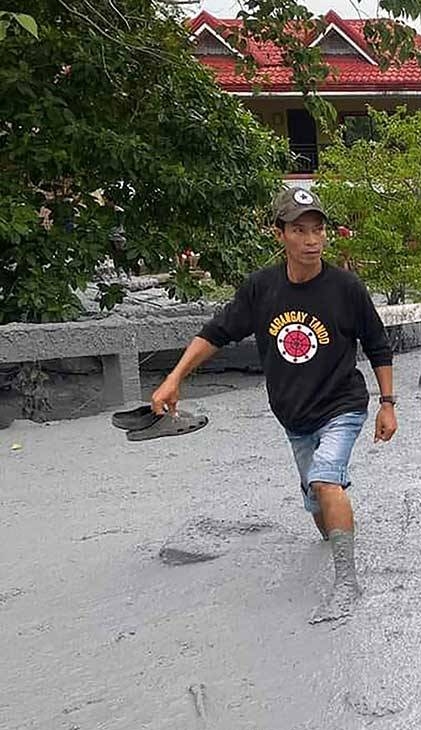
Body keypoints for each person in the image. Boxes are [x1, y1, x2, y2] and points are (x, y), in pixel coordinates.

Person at [149, 187, 397, 623]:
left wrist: (388, 403)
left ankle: (347, 583)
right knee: (319, 506)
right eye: (299, 230)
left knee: (325, 480)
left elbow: (378, 344)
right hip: (294, 416)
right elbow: (216, 332)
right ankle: (333, 526)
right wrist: (174, 378)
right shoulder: (261, 289)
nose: (311, 240)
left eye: (317, 230)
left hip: (343, 404)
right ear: (279, 234)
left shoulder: (346, 288)